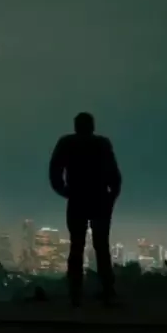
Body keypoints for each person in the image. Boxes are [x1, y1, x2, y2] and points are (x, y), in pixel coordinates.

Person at [49, 112, 122, 307]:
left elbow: (54, 171)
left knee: (77, 246)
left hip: (78, 199)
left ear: (76, 126)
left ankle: (75, 293)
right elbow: (115, 175)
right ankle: (107, 290)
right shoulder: (102, 144)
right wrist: (111, 198)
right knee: (101, 246)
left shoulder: (67, 143)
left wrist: (65, 191)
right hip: (99, 199)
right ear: (92, 126)